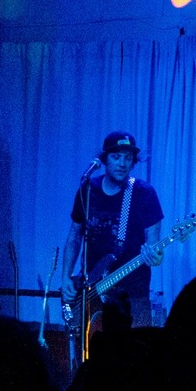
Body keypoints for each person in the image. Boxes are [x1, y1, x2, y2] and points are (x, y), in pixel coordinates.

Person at [62, 131, 166, 328]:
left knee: (135, 346)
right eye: (116, 157)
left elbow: (154, 247)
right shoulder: (88, 189)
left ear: (133, 162)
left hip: (132, 296)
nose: (122, 163)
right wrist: (66, 277)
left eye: (128, 158)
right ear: (104, 159)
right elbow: (74, 236)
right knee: (92, 346)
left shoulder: (144, 194)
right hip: (91, 290)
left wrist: (156, 256)